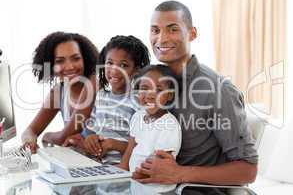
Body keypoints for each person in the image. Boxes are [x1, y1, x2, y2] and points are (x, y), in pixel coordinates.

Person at [133, 1, 258, 195]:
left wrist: (179, 173)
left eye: (172, 29)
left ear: (192, 33)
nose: (161, 38)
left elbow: (248, 171)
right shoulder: (151, 83)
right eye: (155, 30)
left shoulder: (217, 90)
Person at [64, 35, 151, 164]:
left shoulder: (138, 102)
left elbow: (144, 148)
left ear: (136, 71)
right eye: (110, 63)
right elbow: (94, 131)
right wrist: (90, 139)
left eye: (123, 65)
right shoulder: (101, 96)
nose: (114, 70)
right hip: (96, 164)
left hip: (120, 168)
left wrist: (113, 144)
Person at [21, 31, 99, 153]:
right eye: (60, 61)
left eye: (76, 58)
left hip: (108, 164)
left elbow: (62, 137)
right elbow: (30, 131)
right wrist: (29, 141)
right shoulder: (59, 91)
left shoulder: (94, 83)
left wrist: (47, 136)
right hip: (80, 164)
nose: (70, 67)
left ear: (85, 59)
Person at [119, 64, 182, 193]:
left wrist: (130, 178)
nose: (150, 95)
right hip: (135, 186)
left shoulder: (169, 125)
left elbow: (159, 168)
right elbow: (129, 151)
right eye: (144, 88)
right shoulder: (137, 117)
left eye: (159, 90)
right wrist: (117, 173)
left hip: (157, 190)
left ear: (169, 96)